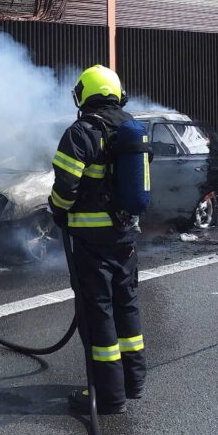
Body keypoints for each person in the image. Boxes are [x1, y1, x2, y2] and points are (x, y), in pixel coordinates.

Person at [48, 65, 146, 416]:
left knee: (99, 312)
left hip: (91, 241)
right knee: (127, 305)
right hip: (126, 237)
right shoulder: (132, 129)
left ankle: (108, 397)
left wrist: (56, 210)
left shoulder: (81, 133)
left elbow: (65, 188)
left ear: (84, 94)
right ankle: (133, 383)